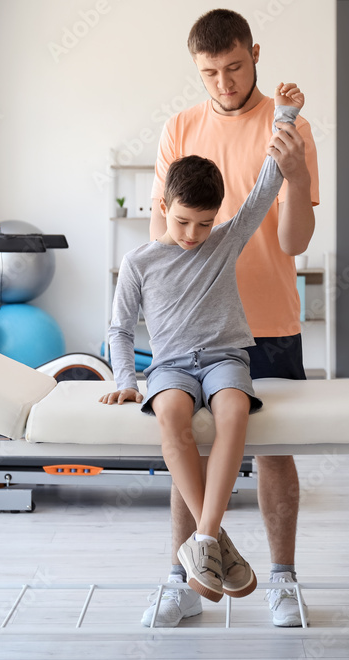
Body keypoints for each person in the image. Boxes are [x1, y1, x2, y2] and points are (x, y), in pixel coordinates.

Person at [143, 9, 321, 627]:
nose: (223, 82)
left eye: (235, 67)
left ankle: (283, 581)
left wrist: (295, 176)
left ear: (256, 54)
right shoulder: (179, 128)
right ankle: (184, 579)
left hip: (268, 319)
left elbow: (295, 241)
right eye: (209, 72)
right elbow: (159, 236)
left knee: (275, 455)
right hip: (193, 332)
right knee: (185, 450)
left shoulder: (287, 127)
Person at [101, 85, 306, 604]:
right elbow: (120, 329)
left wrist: (285, 115)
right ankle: (213, 538)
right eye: (182, 220)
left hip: (224, 359)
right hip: (170, 365)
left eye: (205, 223)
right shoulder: (139, 263)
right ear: (163, 204)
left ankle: (205, 537)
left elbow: (265, 187)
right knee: (171, 415)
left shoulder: (223, 241)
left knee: (235, 410)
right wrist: (127, 380)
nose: (193, 234)